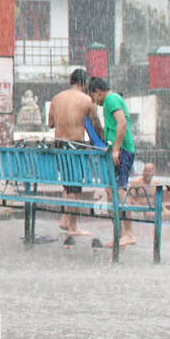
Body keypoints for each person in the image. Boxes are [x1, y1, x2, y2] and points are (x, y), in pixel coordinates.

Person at [47, 68, 105, 236]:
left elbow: (50, 123)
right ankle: (73, 226)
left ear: (70, 81)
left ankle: (65, 220)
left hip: (59, 145)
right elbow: (96, 125)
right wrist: (102, 141)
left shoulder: (56, 98)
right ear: (85, 83)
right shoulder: (86, 100)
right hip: (75, 146)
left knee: (67, 183)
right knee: (74, 187)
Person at [88, 77, 136, 246]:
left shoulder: (111, 99)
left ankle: (129, 233)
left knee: (120, 189)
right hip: (116, 150)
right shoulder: (109, 100)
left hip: (122, 150)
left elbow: (122, 123)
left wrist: (116, 149)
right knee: (111, 191)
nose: (95, 102)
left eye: (94, 97)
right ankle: (119, 234)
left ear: (98, 91)